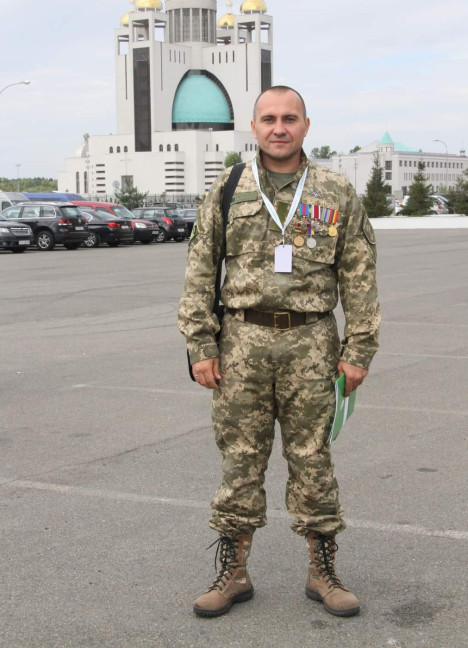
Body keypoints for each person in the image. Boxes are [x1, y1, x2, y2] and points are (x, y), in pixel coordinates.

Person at [178, 85, 380, 619]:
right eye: (269, 119)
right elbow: (200, 269)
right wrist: (200, 343)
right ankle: (234, 572)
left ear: (306, 126)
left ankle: (322, 571)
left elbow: (359, 277)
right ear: (254, 127)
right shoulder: (229, 187)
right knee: (240, 459)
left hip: (312, 343)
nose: (279, 128)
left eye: (290, 118)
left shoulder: (335, 191)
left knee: (312, 458)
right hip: (240, 344)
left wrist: (359, 349)